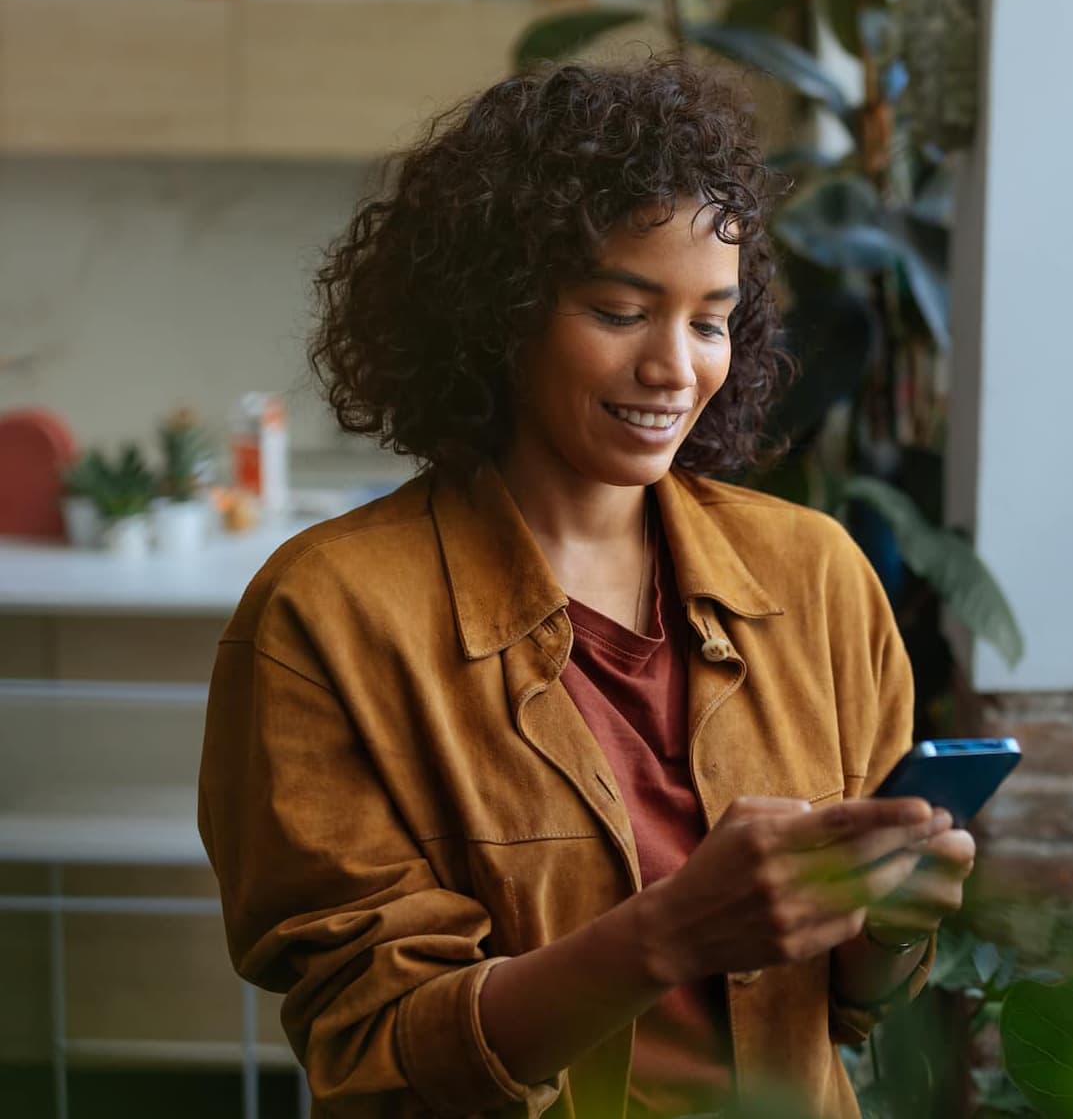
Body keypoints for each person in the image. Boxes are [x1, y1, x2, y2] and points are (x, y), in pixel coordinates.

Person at [198, 58, 975, 1119]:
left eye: (710, 320)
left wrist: (889, 927)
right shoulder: (327, 615)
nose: (675, 367)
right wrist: (669, 930)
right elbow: (375, 1044)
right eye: (620, 309)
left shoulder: (817, 577)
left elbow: (841, 1010)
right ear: (499, 310)